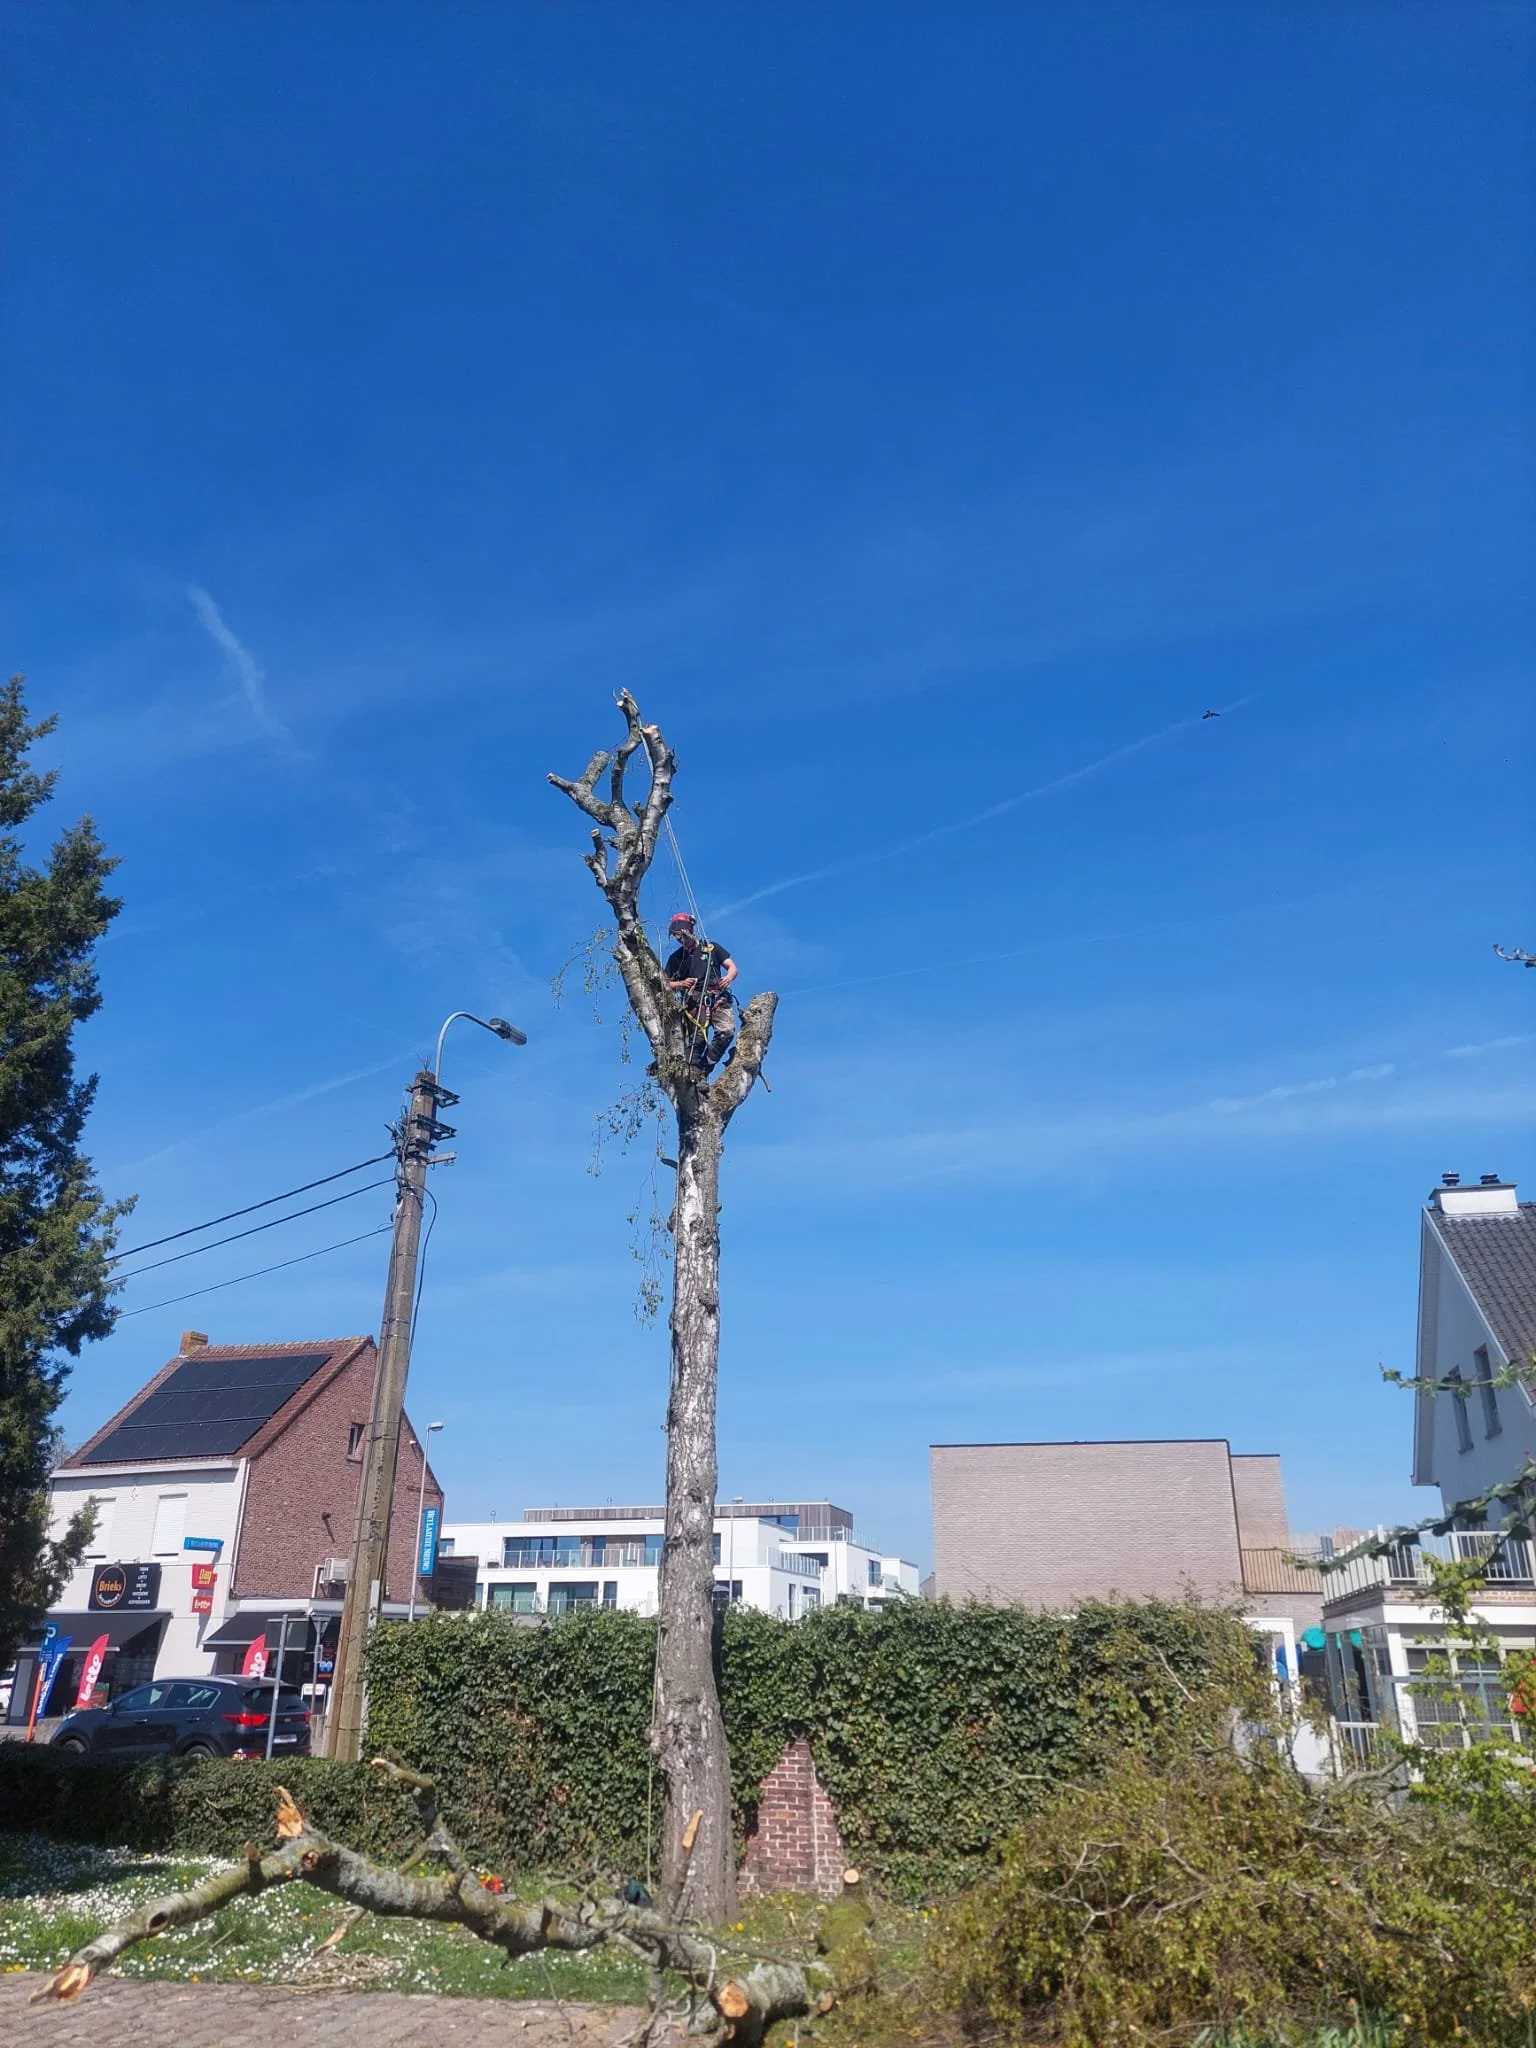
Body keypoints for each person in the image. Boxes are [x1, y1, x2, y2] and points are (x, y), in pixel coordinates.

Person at [663, 911, 738, 1074]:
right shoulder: (676, 958)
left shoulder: (711, 948)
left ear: (690, 930)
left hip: (717, 997)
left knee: (726, 1032)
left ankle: (705, 1067)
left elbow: (732, 967)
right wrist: (681, 983)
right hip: (694, 1001)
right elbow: (665, 984)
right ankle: (695, 1074)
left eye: (682, 935)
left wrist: (729, 977)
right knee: (697, 1040)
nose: (680, 940)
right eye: (677, 937)